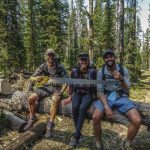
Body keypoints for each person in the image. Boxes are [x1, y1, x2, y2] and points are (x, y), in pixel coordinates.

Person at [92, 50, 141, 150]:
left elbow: (127, 89)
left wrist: (121, 79)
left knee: (137, 120)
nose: (109, 59)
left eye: (111, 56)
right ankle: (98, 141)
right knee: (95, 117)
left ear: (115, 58)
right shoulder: (101, 72)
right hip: (106, 96)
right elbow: (100, 91)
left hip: (120, 96)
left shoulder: (123, 70)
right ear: (104, 60)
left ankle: (127, 142)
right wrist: (106, 107)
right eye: (107, 57)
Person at [23, 49, 68, 139]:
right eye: (49, 55)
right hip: (44, 88)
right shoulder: (43, 66)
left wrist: (61, 91)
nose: (51, 57)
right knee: (31, 98)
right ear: (46, 56)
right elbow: (32, 77)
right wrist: (36, 79)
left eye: (52, 55)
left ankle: (50, 124)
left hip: (56, 88)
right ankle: (32, 118)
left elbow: (66, 81)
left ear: (55, 56)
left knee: (55, 100)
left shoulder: (60, 67)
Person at [65, 53, 97, 148]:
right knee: (75, 107)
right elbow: (71, 83)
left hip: (88, 93)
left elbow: (96, 84)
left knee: (82, 108)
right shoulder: (74, 70)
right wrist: (70, 95)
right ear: (79, 61)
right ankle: (78, 131)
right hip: (77, 92)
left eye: (85, 60)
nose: (83, 62)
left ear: (88, 61)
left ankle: (76, 136)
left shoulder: (93, 71)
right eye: (81, 60)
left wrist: (96, 96)